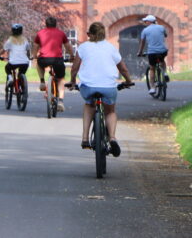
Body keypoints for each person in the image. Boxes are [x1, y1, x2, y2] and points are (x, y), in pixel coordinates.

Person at [68, 21, 133, 156]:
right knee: (110, 111)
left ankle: (85, 138)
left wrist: (73, 81)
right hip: (108, 87)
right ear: (104, 35)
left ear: (88, 35)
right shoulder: (111, 48)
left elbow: (74, 68)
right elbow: (123, 68)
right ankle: (112, 138)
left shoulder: (83, 47)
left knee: (89, 105)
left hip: (88, 87)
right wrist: (128, 81)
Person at [33, 16, 73, 112]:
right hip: (57, 60)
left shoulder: (40, 33)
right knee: (61, 79)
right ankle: (60, 101)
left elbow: (35, 47)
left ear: (46, 24)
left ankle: (42, 81)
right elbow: (68, 46)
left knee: (38, 63)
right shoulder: (61, 33)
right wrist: (72, 56)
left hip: (44, 59)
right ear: (56, 24)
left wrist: (34, 56)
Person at [137, 14, 169, 95]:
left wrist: (140, 52)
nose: (145, 22)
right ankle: (164, 73)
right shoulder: (161, 27)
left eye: (146, 21)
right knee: (162, 60)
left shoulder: (145, 30)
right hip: (162, 51)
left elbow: (142, 43)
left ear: (149, 22)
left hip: (152, 52)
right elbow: (165, 35)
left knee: (152, 68)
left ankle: (152, 88)